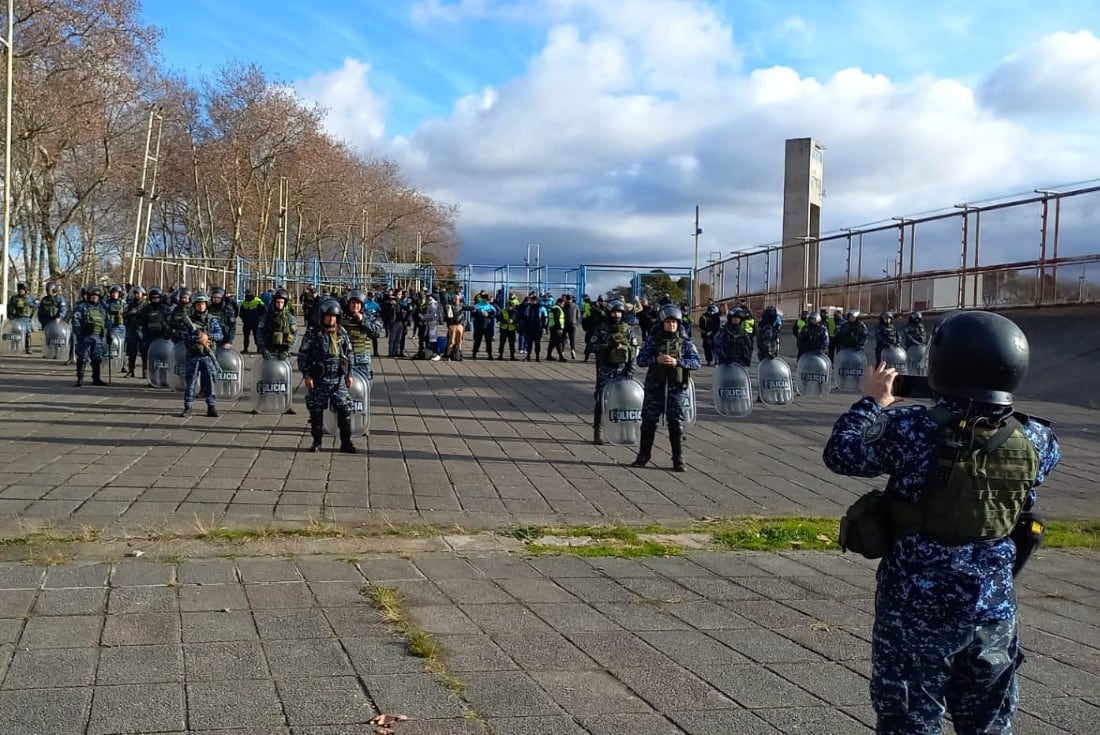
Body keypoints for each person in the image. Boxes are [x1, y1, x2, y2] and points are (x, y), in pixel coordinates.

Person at [823, 310, 1060, 735]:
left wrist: (873, 401)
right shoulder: (1039, 440)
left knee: (911, 721)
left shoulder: (909, 428)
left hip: (916, 609)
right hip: (992, 608)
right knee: (988, 721)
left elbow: (842, 453)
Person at [631, 304, 702, 472]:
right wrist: (656, 359)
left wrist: (678, 362)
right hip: (655, 387)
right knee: (648, 422)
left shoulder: (685, 342)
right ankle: (643, 455)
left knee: (676, 423)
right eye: (668, 322)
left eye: (674, 322)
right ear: (662, 322)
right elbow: (640, 360)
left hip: (675, 388)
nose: (672, 325)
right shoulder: (653, 340)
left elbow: (696, 362)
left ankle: (678, 458)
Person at [299, 300, 358, 453]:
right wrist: (307, 375)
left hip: (338, 378)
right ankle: (317, 442)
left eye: (334, 317)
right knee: (316, 410)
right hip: (320, 378)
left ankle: (346, 443)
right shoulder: (313, 333)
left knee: (344, 411)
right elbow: (303, 355)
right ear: (322, 317)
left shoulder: (341, 332)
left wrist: (349, 374)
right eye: (328, 316)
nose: (331, 320)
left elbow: (348, 354)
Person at [588, 299, 636, 445]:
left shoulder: (627, 329)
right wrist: (607, 346)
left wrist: (630, 368)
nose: (617, 315)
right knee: (601, 400)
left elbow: (634, 350)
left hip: (623, 369)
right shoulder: (602, 328)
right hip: (606, 369)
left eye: (619, 312)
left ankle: (625, 432)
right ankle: (598, 430)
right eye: (614, 312)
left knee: (625, 402)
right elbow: (591, 346)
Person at [178, 291, 223, 418]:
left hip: (207, 355)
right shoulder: (189, 320)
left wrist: (208, 337)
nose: (201, 307)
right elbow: (183, 334)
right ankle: (188, 406)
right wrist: (197, 337)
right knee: (191, 382)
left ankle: (211, 406)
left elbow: (220, 335)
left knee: (210, 381)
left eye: (203, 304)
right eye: (198, 304)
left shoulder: (212, 320)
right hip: (193, 355)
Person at [340, 289, 383, 381]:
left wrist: (362, 321)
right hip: (344, 359)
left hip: (361, 360)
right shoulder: (341, 319)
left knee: (363, 386)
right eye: (353, 303)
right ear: (349, 304)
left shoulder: (369, 317)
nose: (355, 306)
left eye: (358, 304)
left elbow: (377, 332)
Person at [71, 286, 109, 387]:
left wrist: (108, 333)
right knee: (82, 358)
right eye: (92, 296)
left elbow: (107, 321)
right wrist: (80, 333)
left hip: (98, 337)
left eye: (96, 296)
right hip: (85, 336)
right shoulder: (81, 307)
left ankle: (96, 379)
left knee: (97, 358)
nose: (94, 298)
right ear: (88, 296)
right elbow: (76, 321)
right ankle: (80, 379)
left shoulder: (102, 308)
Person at [122, 286, 146, 377]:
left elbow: (147, 316)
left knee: (144, 352)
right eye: (135, 293)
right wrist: (130, 313)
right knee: (132, 352)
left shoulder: (145, 305)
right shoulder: (130, 304)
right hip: (132, 330)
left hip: (142, 330)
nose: (136, 295)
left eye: (138, 293)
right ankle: (131, 370)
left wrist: (139, 314)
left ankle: (145, 371)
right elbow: (124, 314)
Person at [6, 282, 34, 353]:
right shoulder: (14, 298)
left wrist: (31, 316)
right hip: (17, 318)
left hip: (27, 318)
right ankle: (14, 347)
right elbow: (10, 307)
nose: (21, 291)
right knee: (15, 332)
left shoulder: (30, 298)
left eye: (22, 289)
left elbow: (35, 307)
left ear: (25, 290)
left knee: (27, 333)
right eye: (19, 289)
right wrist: (11, 316)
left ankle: (28, 348)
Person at [238, 289, 266, 354]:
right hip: (247, 322)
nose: (248, 296)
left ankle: (259, 349)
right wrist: (243, 318)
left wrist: (260, 319)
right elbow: (241, 312)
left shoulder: (258, 301)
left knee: (257, 336)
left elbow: (264, 311)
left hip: (256, 322)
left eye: (249, 295)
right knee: (246, 336)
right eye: (247, 295)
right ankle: (245, 349)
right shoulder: (244, 302)